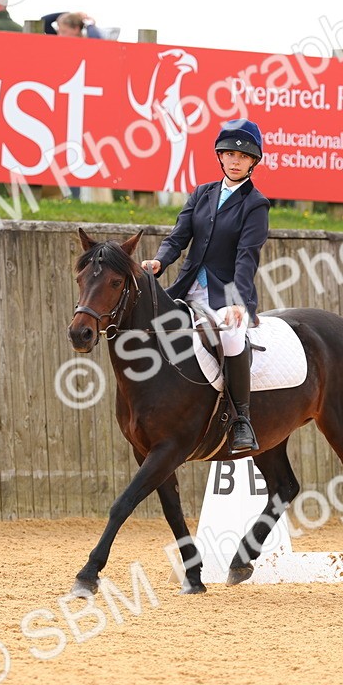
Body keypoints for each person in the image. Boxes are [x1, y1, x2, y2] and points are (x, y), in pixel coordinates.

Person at [140, 119, 270, 453]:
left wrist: (239, 301)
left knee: (229, 333)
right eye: (229, 154)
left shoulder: (255, 204)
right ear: (221, 157)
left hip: (226, 293)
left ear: (254, 161)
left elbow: (246, 256)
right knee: (151, 327)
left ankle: (242, 419)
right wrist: (159, 261)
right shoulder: (202, 193)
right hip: (187, 288)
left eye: (244, 156)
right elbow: (178, 236)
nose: (236, 160)